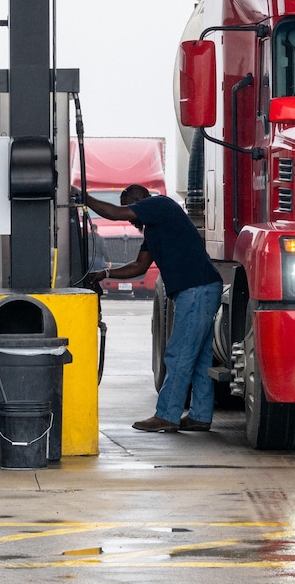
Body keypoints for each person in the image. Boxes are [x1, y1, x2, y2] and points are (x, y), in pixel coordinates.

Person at [75, 184, 221, 433]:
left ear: (139, 199)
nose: (131, 218)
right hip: (204, 287)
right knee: (198, 358)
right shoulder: (155, 229)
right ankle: (199, 415)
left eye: (130, 205)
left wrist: (83, 197)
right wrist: (104, 274)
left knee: (178, 355)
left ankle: (167, 415)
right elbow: (139, 267)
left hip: (195, 289)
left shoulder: (160, 205)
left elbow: (116, 213)